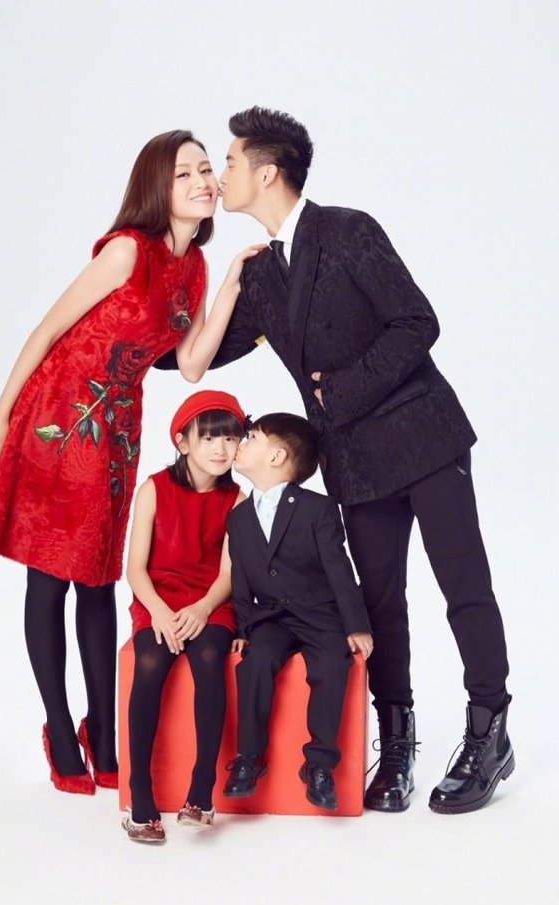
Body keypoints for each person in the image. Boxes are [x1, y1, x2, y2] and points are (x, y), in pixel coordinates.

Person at [158, 106, 514, 815]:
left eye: (228, 163)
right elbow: (189, 354)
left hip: (425, 438)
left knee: (464, 587)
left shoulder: (349, 230)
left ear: (267, 173)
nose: (219, 175)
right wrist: (179, 268)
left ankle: (489, 733)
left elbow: (418, 321)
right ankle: (398, 743)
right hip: (356, 462)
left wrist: (339, 391)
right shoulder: (261, 275)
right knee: (380, 605)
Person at [0, 130, 262, 795]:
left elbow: (190, 365)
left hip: (117, 431)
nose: (202, 181)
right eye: (184, 173)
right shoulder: (128, 250)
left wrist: (231, 286)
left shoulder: (194, 267)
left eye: (205, 170)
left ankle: (102, 731)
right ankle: (59, 730)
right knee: (53, 576)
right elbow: (48, 330)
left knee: (100, 576)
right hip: (59, 413)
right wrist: (0, 414)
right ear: (157, 187)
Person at [222, 413, 373, 811]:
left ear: (277, 456)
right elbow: (240, 578)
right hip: (271, 617)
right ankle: (248, 758)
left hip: (319, 615)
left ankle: (319, 764)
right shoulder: (238, 518)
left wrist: (356, 625)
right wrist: (243, 628)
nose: (240, 443)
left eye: (251, 438)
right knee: (256, 662)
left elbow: (339, 569)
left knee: (331, 665)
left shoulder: (317, 509)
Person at [121, 391, 246, 843]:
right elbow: (135, 568)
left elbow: (228, 573)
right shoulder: (154, 488)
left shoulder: (236, 498)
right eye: (209, 438)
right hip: (159, 598)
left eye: (230, 439)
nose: (221, 449)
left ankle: (201, 791)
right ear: (183, 442)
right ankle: (140, 795)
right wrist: (159, 611)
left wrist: (202, 608)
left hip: (211, 600)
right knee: (150, 661)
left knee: (210, 659)